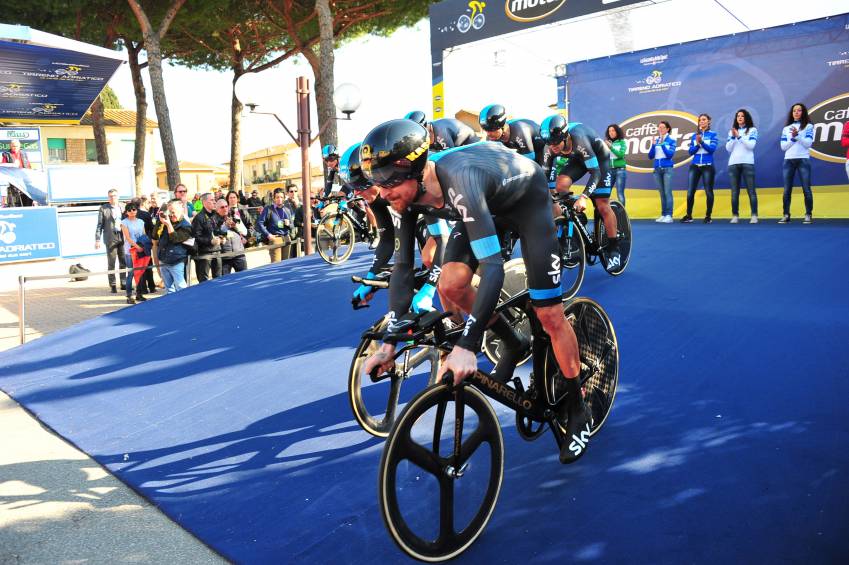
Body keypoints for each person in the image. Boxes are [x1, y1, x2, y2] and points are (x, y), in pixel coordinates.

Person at [361, 119, 593, 464]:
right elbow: (404, 268)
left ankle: (578, 407)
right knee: (450, 284)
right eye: (375, 183)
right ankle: (513, 340)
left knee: (549, 313)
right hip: (485, 206)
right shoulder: (406, 199)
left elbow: (494, 267)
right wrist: (389, 343)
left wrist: (468, 346)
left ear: (415, 169)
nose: (381, 194)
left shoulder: (459, 182)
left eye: (387, 183)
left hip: (526, 204)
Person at [540, 115, 621, 271]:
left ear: (565, 136)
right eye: (549, 143)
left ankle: (614, 249)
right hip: (577, 160)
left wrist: (584, 197)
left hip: (600, 160)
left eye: (556, 142)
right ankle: (577, 220)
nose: (552, 147)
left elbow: (595, 173)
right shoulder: (549, 147)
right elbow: (546, 177)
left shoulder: (579, 140)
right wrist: (551, 196)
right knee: (560, 186)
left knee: (602, 205)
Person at [779, 102, 815, 224]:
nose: (796, 112)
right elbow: (783, 147)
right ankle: (786, 214)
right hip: (788, 160)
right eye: (794, 110)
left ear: (803, 112)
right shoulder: (786, 128)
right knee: (787, 190)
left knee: (806, 189)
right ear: (792, 113)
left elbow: (808, 144)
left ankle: (808, 214)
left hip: (803, 159)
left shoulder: (808, 126)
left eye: (799, 110)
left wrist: (798, 136)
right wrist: (794, 138)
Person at [478, 104, 546, 165]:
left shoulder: (520, 131)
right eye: (486, 130)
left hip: (544, 147)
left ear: (502, 126)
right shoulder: (491, 137)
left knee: (539, 171)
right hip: (525, 149)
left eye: (492, 130)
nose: (489, 134)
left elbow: (530, 162)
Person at [682, 113, 719, 223]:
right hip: (695, 166)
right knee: (690, 192)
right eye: (700, 120)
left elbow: (712, 150)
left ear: (709, 121)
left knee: (708, 191)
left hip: (708, 166)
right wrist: (698, 144)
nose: (701, 121)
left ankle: (708, 216)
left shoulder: (713, 135)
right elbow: (690, 152)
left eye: (704, 119)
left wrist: (702, 142)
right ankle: (689, 216)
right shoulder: (694, 136)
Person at [726, 108, 759, 224]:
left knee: (751, 191)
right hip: (733, 164)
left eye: (742, 116)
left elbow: (751, 145)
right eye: (738, 116)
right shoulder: (732, 132)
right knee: (734, 192)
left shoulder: (752, 130)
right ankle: (735, 215)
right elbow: (728, 148)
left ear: (746, 118)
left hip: (747, 163)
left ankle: (754, 215)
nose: (739, 118)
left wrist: (739, 137)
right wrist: (734, 137)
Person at [155, 199, 192, 293]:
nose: (171, 215)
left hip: (176, 262)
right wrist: (159, 222)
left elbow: (175, 239)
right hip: (163, 260)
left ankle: (184, 305)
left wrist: (168, 224)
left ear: (181, 210)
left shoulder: (185, 225)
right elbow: (154, 236)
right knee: (169, 289)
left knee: (181, 288)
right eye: (169, 212)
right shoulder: (166, 222)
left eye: (173, 212)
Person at [94, 189, 126, 293]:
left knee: (123, 261)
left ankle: (123, 282)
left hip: (123, 237)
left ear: (118, 196)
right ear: (108, 198)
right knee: (111, 262)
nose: (113, 198)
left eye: (115, 196)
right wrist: (97, 239)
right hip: (110, 238)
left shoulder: (124, 207)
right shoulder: (103, 208)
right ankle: (112, 285)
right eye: (111, 196)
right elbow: (99, 225)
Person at [404, 111, 478, 152]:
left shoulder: (441, 131)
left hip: (473, 145)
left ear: (425, 126)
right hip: (459, 147)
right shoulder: (428, 134)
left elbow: (450, 156)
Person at [191, 193, 224, 281]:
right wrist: (210, 241)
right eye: (212, 200)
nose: (214, 202)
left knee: (219, 279)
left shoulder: (216, 215)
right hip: (204, 253)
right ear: (204, 202)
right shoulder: (198, 218)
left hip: (217, 251)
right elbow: (196, 237)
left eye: (214, 200)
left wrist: (222, 237)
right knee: (203, 281)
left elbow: (218, 230)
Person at [120, 202, 147, 305]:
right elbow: (128, 238)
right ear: (126, 212)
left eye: (134, 209)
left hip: (141, 249)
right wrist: (137, 247)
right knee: (131, 273)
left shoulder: (141, 221)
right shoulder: (124, 222)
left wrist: (144, 246)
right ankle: (129, 295)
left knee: (140, 272)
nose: (132, 211)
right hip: (130, 251)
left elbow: (143, 235)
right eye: (130, 210)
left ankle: (139, 294)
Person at [649, 121, 676, 223]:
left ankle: (669, 215)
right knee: (661, 193)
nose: (660, 129)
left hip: (667, 169)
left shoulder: (671, 140)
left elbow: (670, 155)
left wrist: (663, 145)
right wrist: (653, 145)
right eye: (659, 127)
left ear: (668, 129)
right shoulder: (657, 140)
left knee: (667, 192)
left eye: (662, 127)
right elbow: (650, 156)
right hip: (657, 169)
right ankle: (663, 214)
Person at [257, 188, 293, 263]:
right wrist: (268, 235)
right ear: (274, 198)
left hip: (286, 238)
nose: (279, 199)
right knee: (276, 265)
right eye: (277, 197)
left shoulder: (287, 210)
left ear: (284, 198)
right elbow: (260, 223)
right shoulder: (268, 209)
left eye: (281, 197)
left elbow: (292, 225)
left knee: (286, 264)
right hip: (275, 239)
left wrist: (288, 224)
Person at [216, 199, 248, 274]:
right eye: (222, 207)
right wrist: (226, 225)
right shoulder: (214, 219)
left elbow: (245, 232)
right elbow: (218, 232)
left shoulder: (235, 216)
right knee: (226, 281)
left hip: (239, 254)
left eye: (226, 206)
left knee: (244, 277)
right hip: (225, 256)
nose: (225, 209)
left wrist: (236, 225)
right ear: (217, 209)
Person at [604, 124, 627, 206]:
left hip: (620, 170)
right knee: (606, 193)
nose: (611, 132)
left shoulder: (622, 142)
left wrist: (611, 148)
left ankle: (622, 216)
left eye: (613, 130)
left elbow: (621, 155)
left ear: (617, 132)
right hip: (609, 170)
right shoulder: (606, 143)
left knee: (620, 193)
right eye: (609, 131)